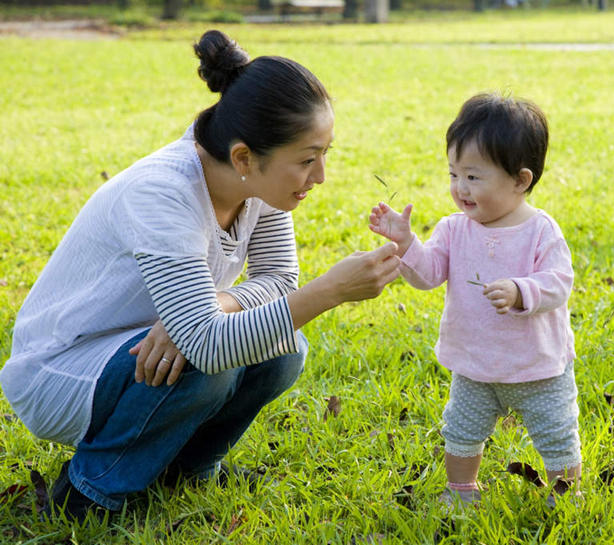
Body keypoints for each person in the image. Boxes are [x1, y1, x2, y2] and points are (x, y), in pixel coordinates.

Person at [0, 29, 400, 521]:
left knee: (283, 346)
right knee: (211, 358)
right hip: (60, 370)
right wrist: (332, 290)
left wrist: (218, 304)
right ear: (243, 157)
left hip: (134, 346)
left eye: (324, 154)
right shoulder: (163, 194)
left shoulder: (261, 186)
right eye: (307, 160)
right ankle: (88, 491)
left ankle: (186, 470)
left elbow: (278, 282)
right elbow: (209, 346)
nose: (319, 177)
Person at [368, 93, 581, 505]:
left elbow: (559, 282)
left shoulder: (541, 231)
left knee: (557, 434)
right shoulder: (454, 229)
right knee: (461, 431)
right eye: (453, 175)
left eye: (473, 177)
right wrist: (407, 243)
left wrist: (522, 290)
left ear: (521, 180)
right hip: (474, 364)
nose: (460, 189)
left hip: (536, 366)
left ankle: (566, 494)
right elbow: (428, 275)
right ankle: (462, 490)